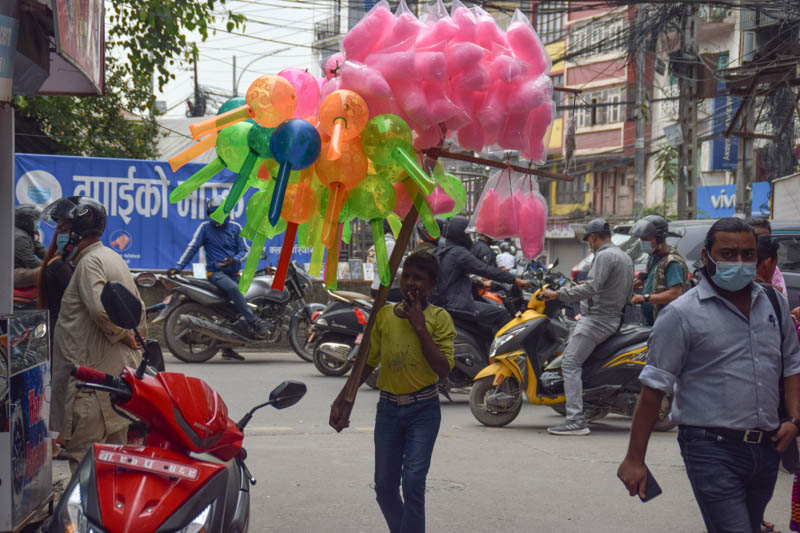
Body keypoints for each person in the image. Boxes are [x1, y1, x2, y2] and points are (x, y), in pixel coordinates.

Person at [617, 217, 800, 533]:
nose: (739, 262)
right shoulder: (681, 314)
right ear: (706, 257)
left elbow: (792, 365)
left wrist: (794, 420)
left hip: (767, 446)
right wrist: (635, 458)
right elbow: (653, 389)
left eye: (747, 254)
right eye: (728, 254)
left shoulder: (773, 303)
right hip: (711, 448)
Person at [331, 251, 455, 533]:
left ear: (432, 285)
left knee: (413, 482)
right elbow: (367, 361)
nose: (412, 283)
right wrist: (342, 400)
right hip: (388, 410)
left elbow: (444, 369)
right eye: (407, 276)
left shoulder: (439, 318)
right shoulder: (384, 315)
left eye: (419, 279)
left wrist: (420, 327)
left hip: (423, 410)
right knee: (385, 486)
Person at [48, 197, 147, 473]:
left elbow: (101, 309)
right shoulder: (112, 257)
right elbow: (139, 311)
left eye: (64, 226)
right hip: (110, 383)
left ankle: (86, 518)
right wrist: (131, 334)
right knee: (110, 465)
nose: (59, 234)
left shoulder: (89, 263)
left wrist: (122, 334)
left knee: (85, 464)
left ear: (78, 230)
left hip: (91, 387)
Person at [540, 218, 634, 435]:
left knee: (570, 363)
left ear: (593, 238)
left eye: (589, 241)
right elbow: (620, 291)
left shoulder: (604, 256)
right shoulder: (624, 256)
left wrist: (558, 294)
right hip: (613, 318)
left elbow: (592, 288)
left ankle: (574, 420)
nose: (589, 245)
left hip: (598, 320)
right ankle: (590, 406)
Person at [169, 196, 270, 347]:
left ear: (227, 212)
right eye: (213, 213)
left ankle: (228, 346)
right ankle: (255, 322)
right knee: (233, 289)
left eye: (220, 212)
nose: (218, 216)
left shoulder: (235, 228)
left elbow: (244, 250)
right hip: (216, 274)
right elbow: (192, 248)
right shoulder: (205, 228)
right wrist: (178, 267)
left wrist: (234, 260)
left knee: (248, 297)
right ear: (210, 214)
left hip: (234, 273)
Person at [431, 216, 530, 335]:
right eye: (467, 234)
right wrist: (515, 280)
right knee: (501, 314)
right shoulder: (459, 253)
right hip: (455, 305)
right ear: (460, 233)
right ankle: (503, 352)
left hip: (444, 302)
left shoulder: (443, 251)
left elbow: (453, 278)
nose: (470, 238)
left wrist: (481, 283)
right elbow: (485, 270)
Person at [629, 215, 690, 325]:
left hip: (669, 323)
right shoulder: (654, 257)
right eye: (641, 239)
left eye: (646, 239)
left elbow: (675, 294)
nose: (642, 242)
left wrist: (644, 298)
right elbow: (652, 278)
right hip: (654, 321)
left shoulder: (672, 262)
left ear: (660, 238)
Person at [748, 217, 788, 298]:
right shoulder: (736, 268)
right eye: (757, 238)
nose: (761, 242)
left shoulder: (775, 271)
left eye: (766, 238)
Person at [370, 219, 404, 302]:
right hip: (386, 289)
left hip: (378, 287)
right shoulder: (390, 244)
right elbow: (390, 268)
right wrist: (407, 272)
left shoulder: (384, 242)